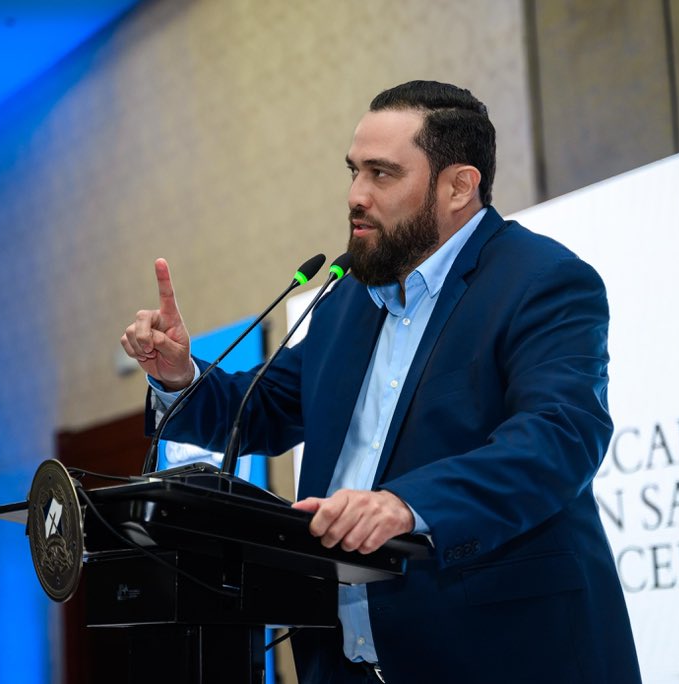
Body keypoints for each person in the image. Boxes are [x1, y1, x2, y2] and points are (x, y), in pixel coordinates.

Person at [121, 81, 641, 683]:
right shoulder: (346, 302)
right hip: (344, 664)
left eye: (381, 173)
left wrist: (407, 504)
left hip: (500, 654)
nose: (356, 195)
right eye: (354, 171)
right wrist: (177, 375)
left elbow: (558, 437)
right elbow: (258, 410)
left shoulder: (542, 279)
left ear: (458, 186)